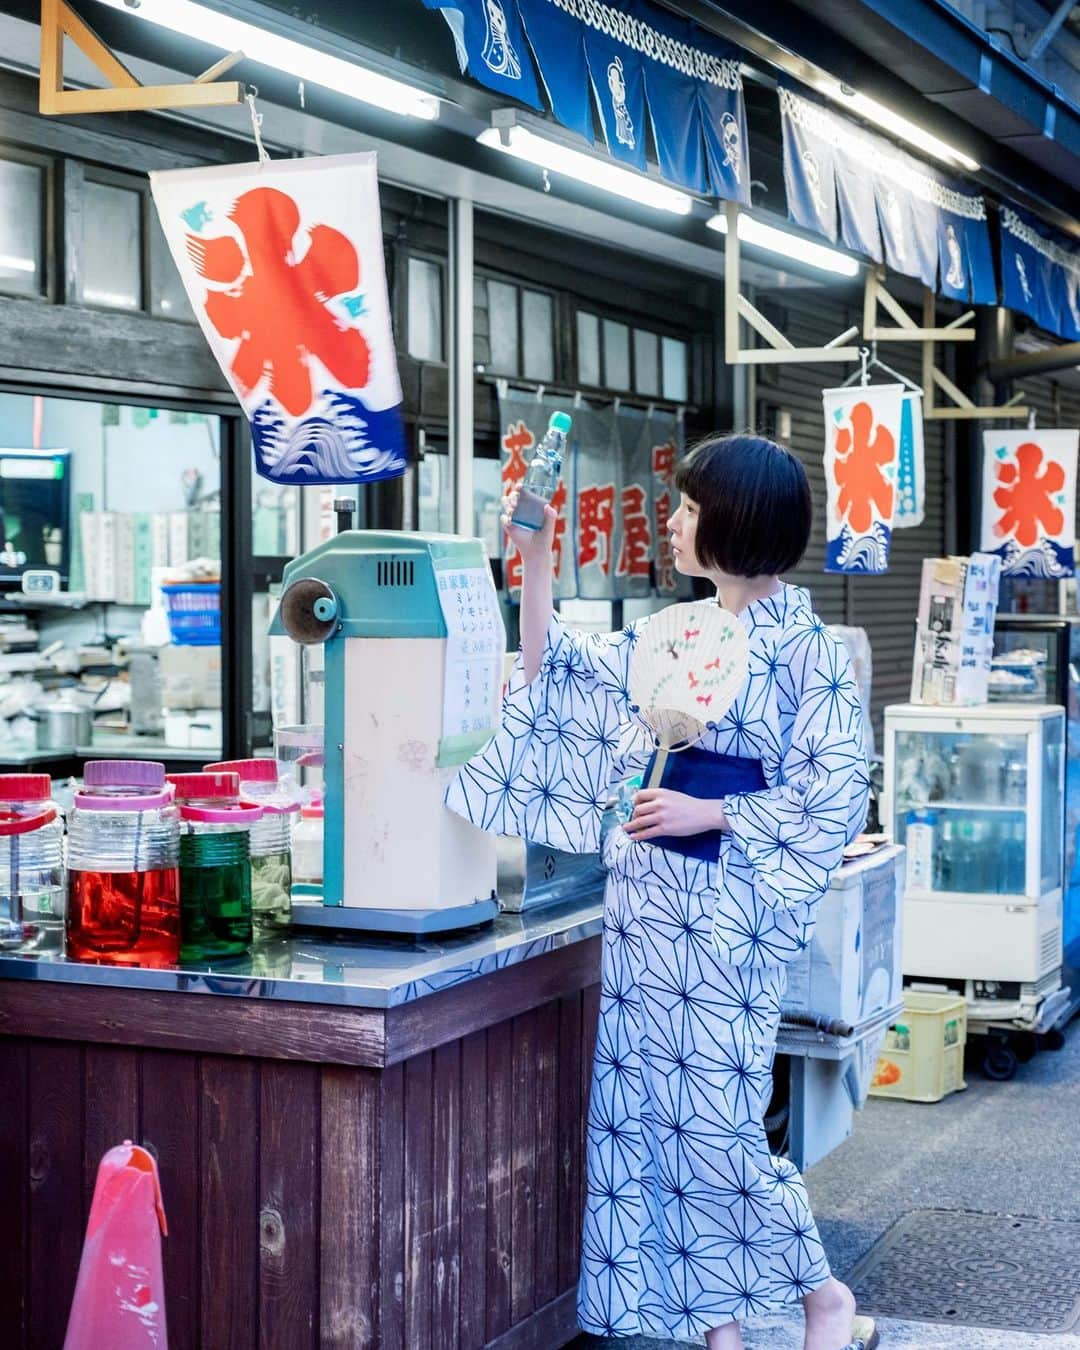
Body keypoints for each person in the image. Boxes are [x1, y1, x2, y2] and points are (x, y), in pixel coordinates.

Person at [447, 433, 877, 1350]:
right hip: (647, 903)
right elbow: (555, 670)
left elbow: (837, 790)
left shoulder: (809, 649)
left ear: (734, 520)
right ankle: (715, 1325)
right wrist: (531, 559)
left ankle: (819, 1293)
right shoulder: (676, 631)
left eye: (687, 508)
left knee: (716, 1121)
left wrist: (709, 815)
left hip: (726, 908)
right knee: (657, 1117)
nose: (673, 523)